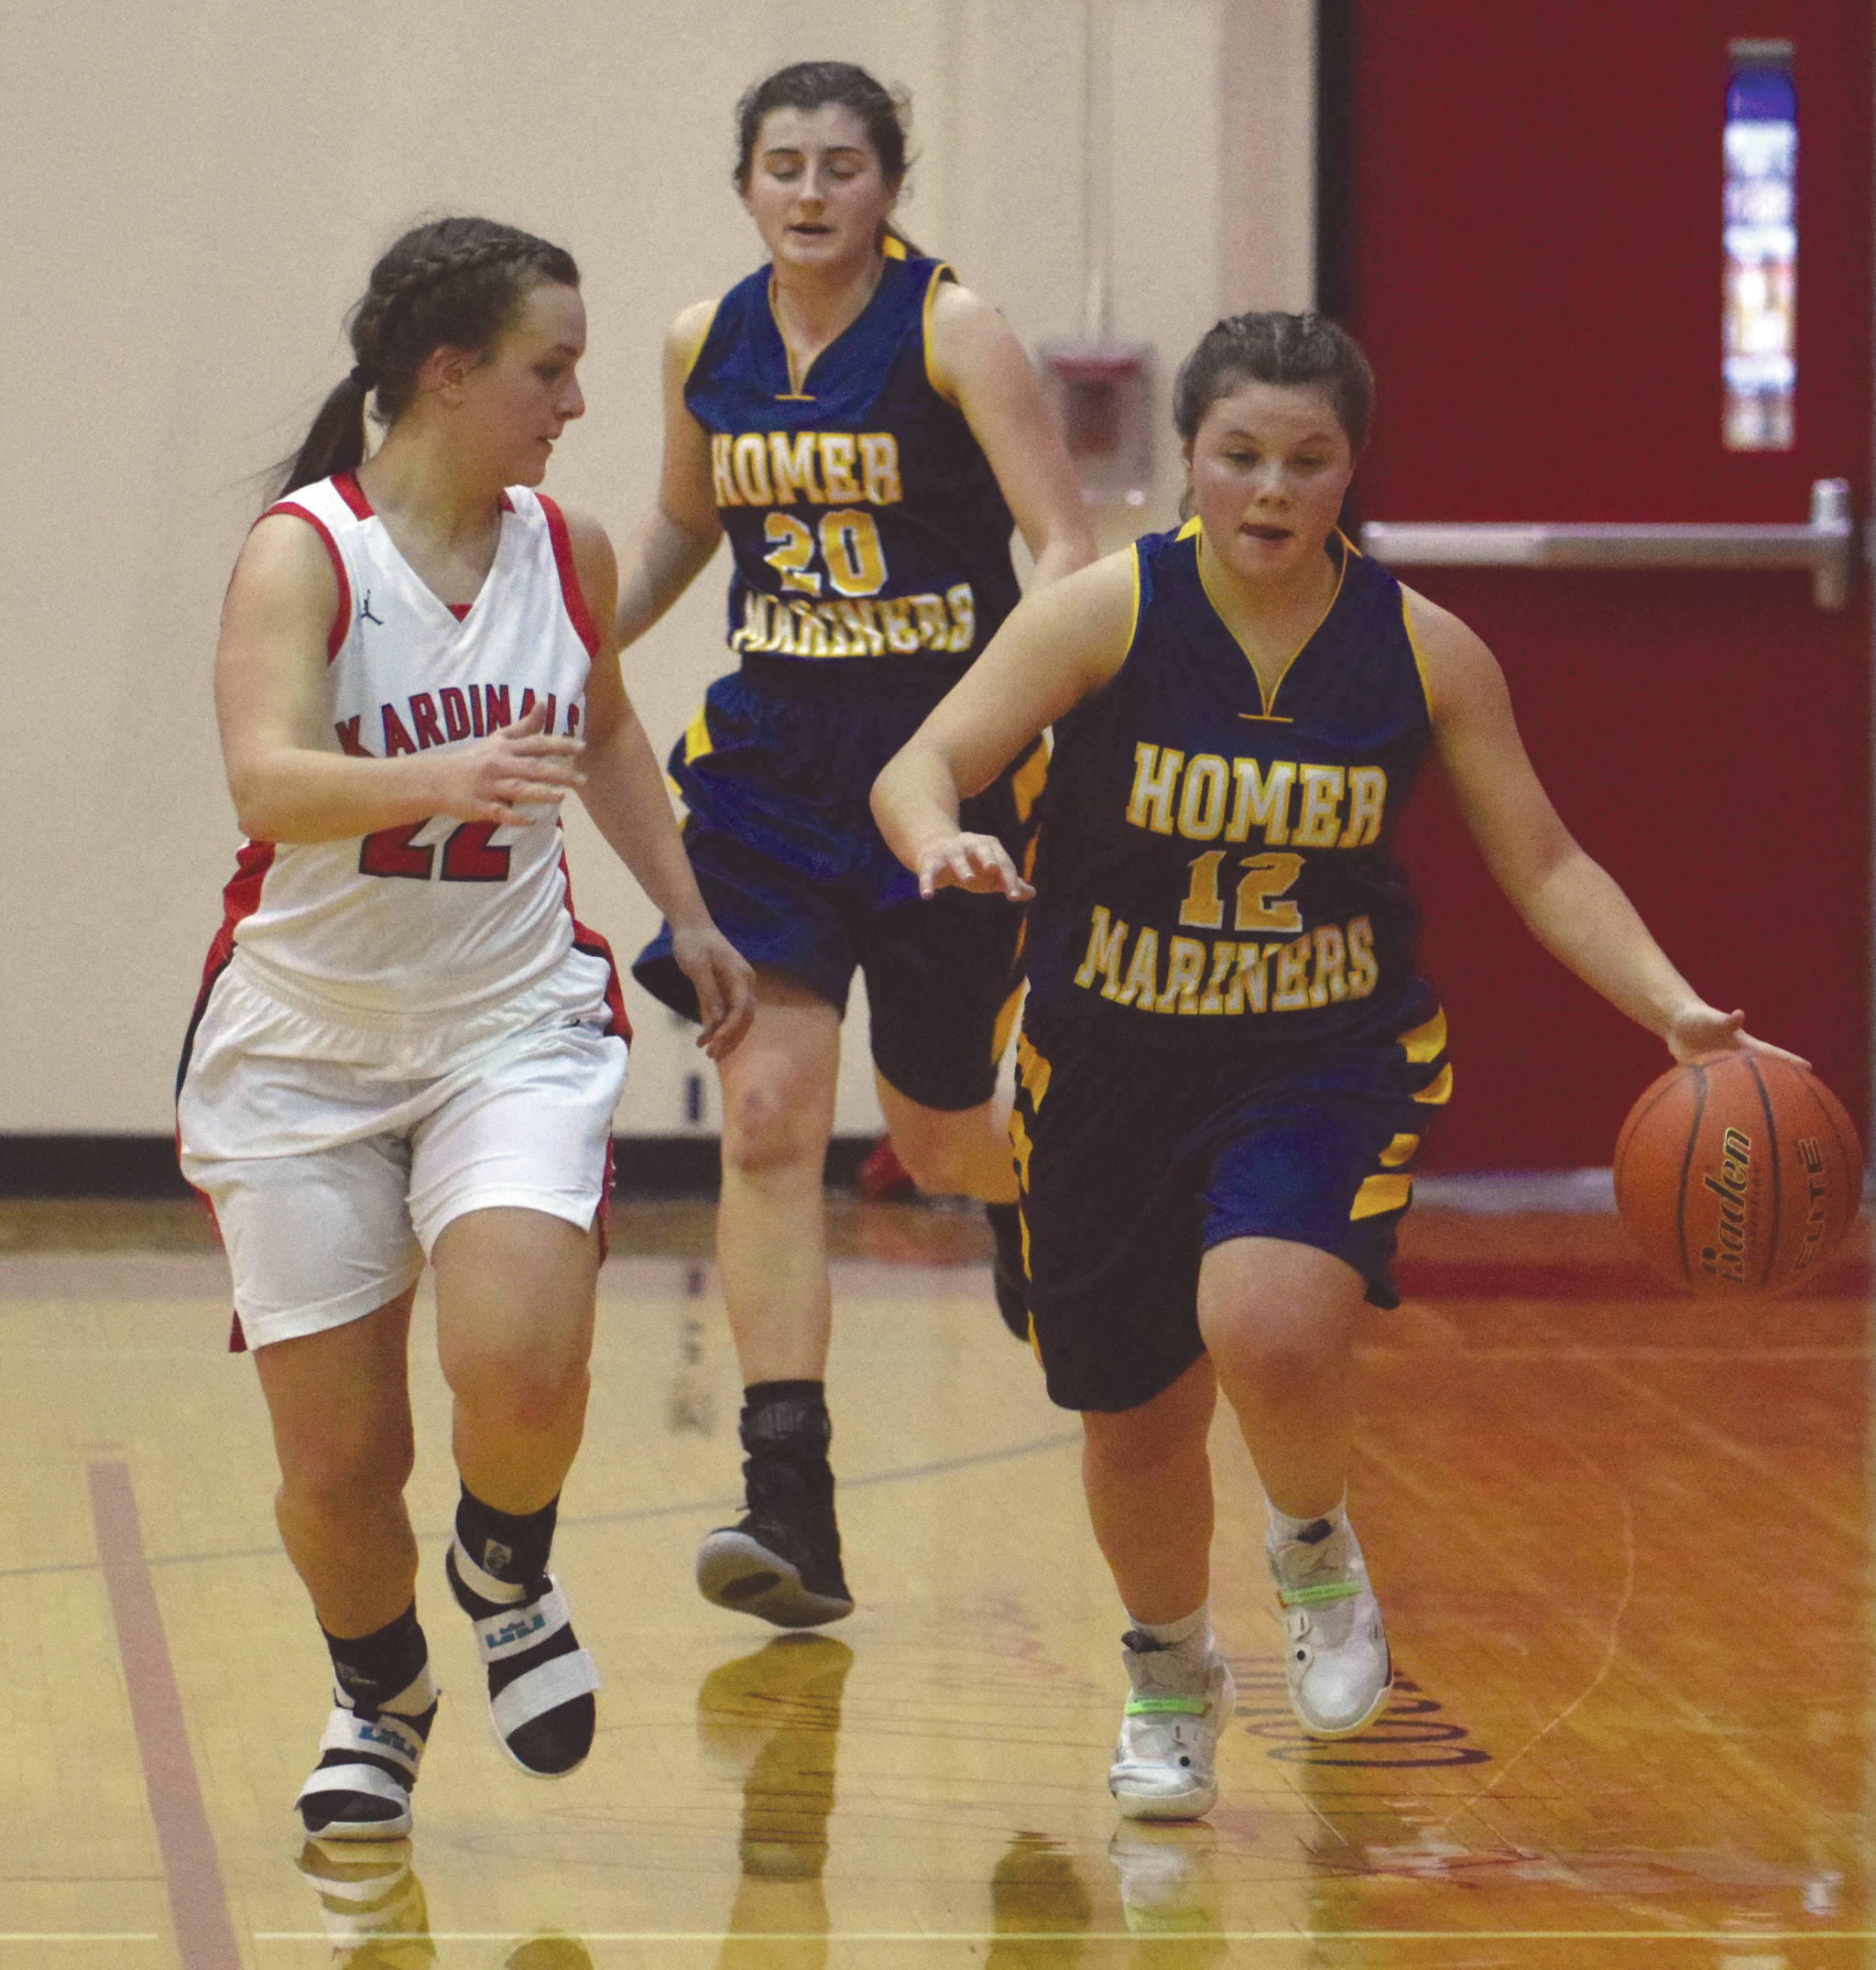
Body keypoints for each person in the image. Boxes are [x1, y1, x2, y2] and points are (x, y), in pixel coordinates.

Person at [871, 310, 1801, 1819]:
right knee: (1137, 1421)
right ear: (1189, 459)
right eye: (1240, 456)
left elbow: (1548, 860)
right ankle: (1172, 1670)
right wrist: (941, 838)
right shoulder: (1106, 614)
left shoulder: (1427, 650)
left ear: (1350, 470)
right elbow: (919, 760)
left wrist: (1674, 1008)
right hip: (1104, 1061)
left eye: (1308, 462)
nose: (1271, 490)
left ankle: (1314, 1550)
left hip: (1321, 1053)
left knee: (1274, 1323)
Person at [177, 216, 753, 1840]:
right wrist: (437, 776)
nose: (577, 400)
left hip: (506, 1016)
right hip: (302, 1047)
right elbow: (265, 781)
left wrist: (686, 912)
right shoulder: (310, 551)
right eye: (549, 368)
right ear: (448, 373)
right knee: (338, 1475)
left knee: (519, 1356)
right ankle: (382, 1693)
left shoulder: (562, 551)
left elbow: (611, 729)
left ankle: (506, 1571)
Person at [615, 60, 1096, 1629]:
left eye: (841, 167)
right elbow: (690, 521)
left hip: (935, 766)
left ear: (888, 184)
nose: (811, 193)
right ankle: (788, 1502)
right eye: (782, 167)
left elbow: (1068, 549)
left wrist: (1035, 729)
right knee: (765, 1113)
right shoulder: (707, 341)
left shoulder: (957, 331)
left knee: (944, 1132)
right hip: (769, 769)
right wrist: (582, 639)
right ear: (744, 183)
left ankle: (1024, 1197)